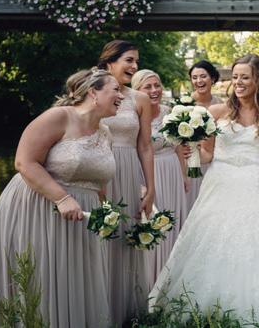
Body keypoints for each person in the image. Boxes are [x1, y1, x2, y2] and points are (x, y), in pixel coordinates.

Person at [149, 54, 259, 327]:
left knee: (256, 240)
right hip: (220, 180)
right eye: (235, 77)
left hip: (254, 181)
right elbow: (208, 155)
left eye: (245, 77)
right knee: (211, 238)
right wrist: (191, 150)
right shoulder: (217, 112)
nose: (238, 82)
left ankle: (256, 307)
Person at [0, 68, 123, 328]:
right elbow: (24, 162)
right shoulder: (59, 117)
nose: (122, 96)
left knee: (77, 278)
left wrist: (105, 211)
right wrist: (62, 199)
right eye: (116, 89)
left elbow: (99, 180)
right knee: (43, 278)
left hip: (82, 216)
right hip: (38, 207)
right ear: (93, 92)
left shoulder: (106, 132)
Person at [98, 40, 156, 324]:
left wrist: (150, 188)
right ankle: (98, 309)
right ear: (110, 62)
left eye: (136, 61)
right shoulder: (91, 90)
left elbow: (145, 146)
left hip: (128, 171)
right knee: (99, 234)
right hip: (97, 170)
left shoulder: (139, 99)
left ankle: (126, 313)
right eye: (129, 60)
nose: (134, 66)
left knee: (125, 237)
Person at [131, 69, 188, 282]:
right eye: (148, 87)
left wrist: (183, 174)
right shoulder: (135, 115)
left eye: (157, 85)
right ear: (137, 91)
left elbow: (178, 146)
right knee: (154, 224)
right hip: (149, 174)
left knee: (174, 223)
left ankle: (173, 280)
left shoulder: (169, 112)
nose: (155, 90)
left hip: (172, 173)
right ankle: (151, 282)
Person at [186, 60, 222, 211]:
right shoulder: (184, 104)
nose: (198, 81)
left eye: (203, 76)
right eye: (194, 77)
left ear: (212, 78)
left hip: (215, 163)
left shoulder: (221, 104)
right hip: (191, 162)